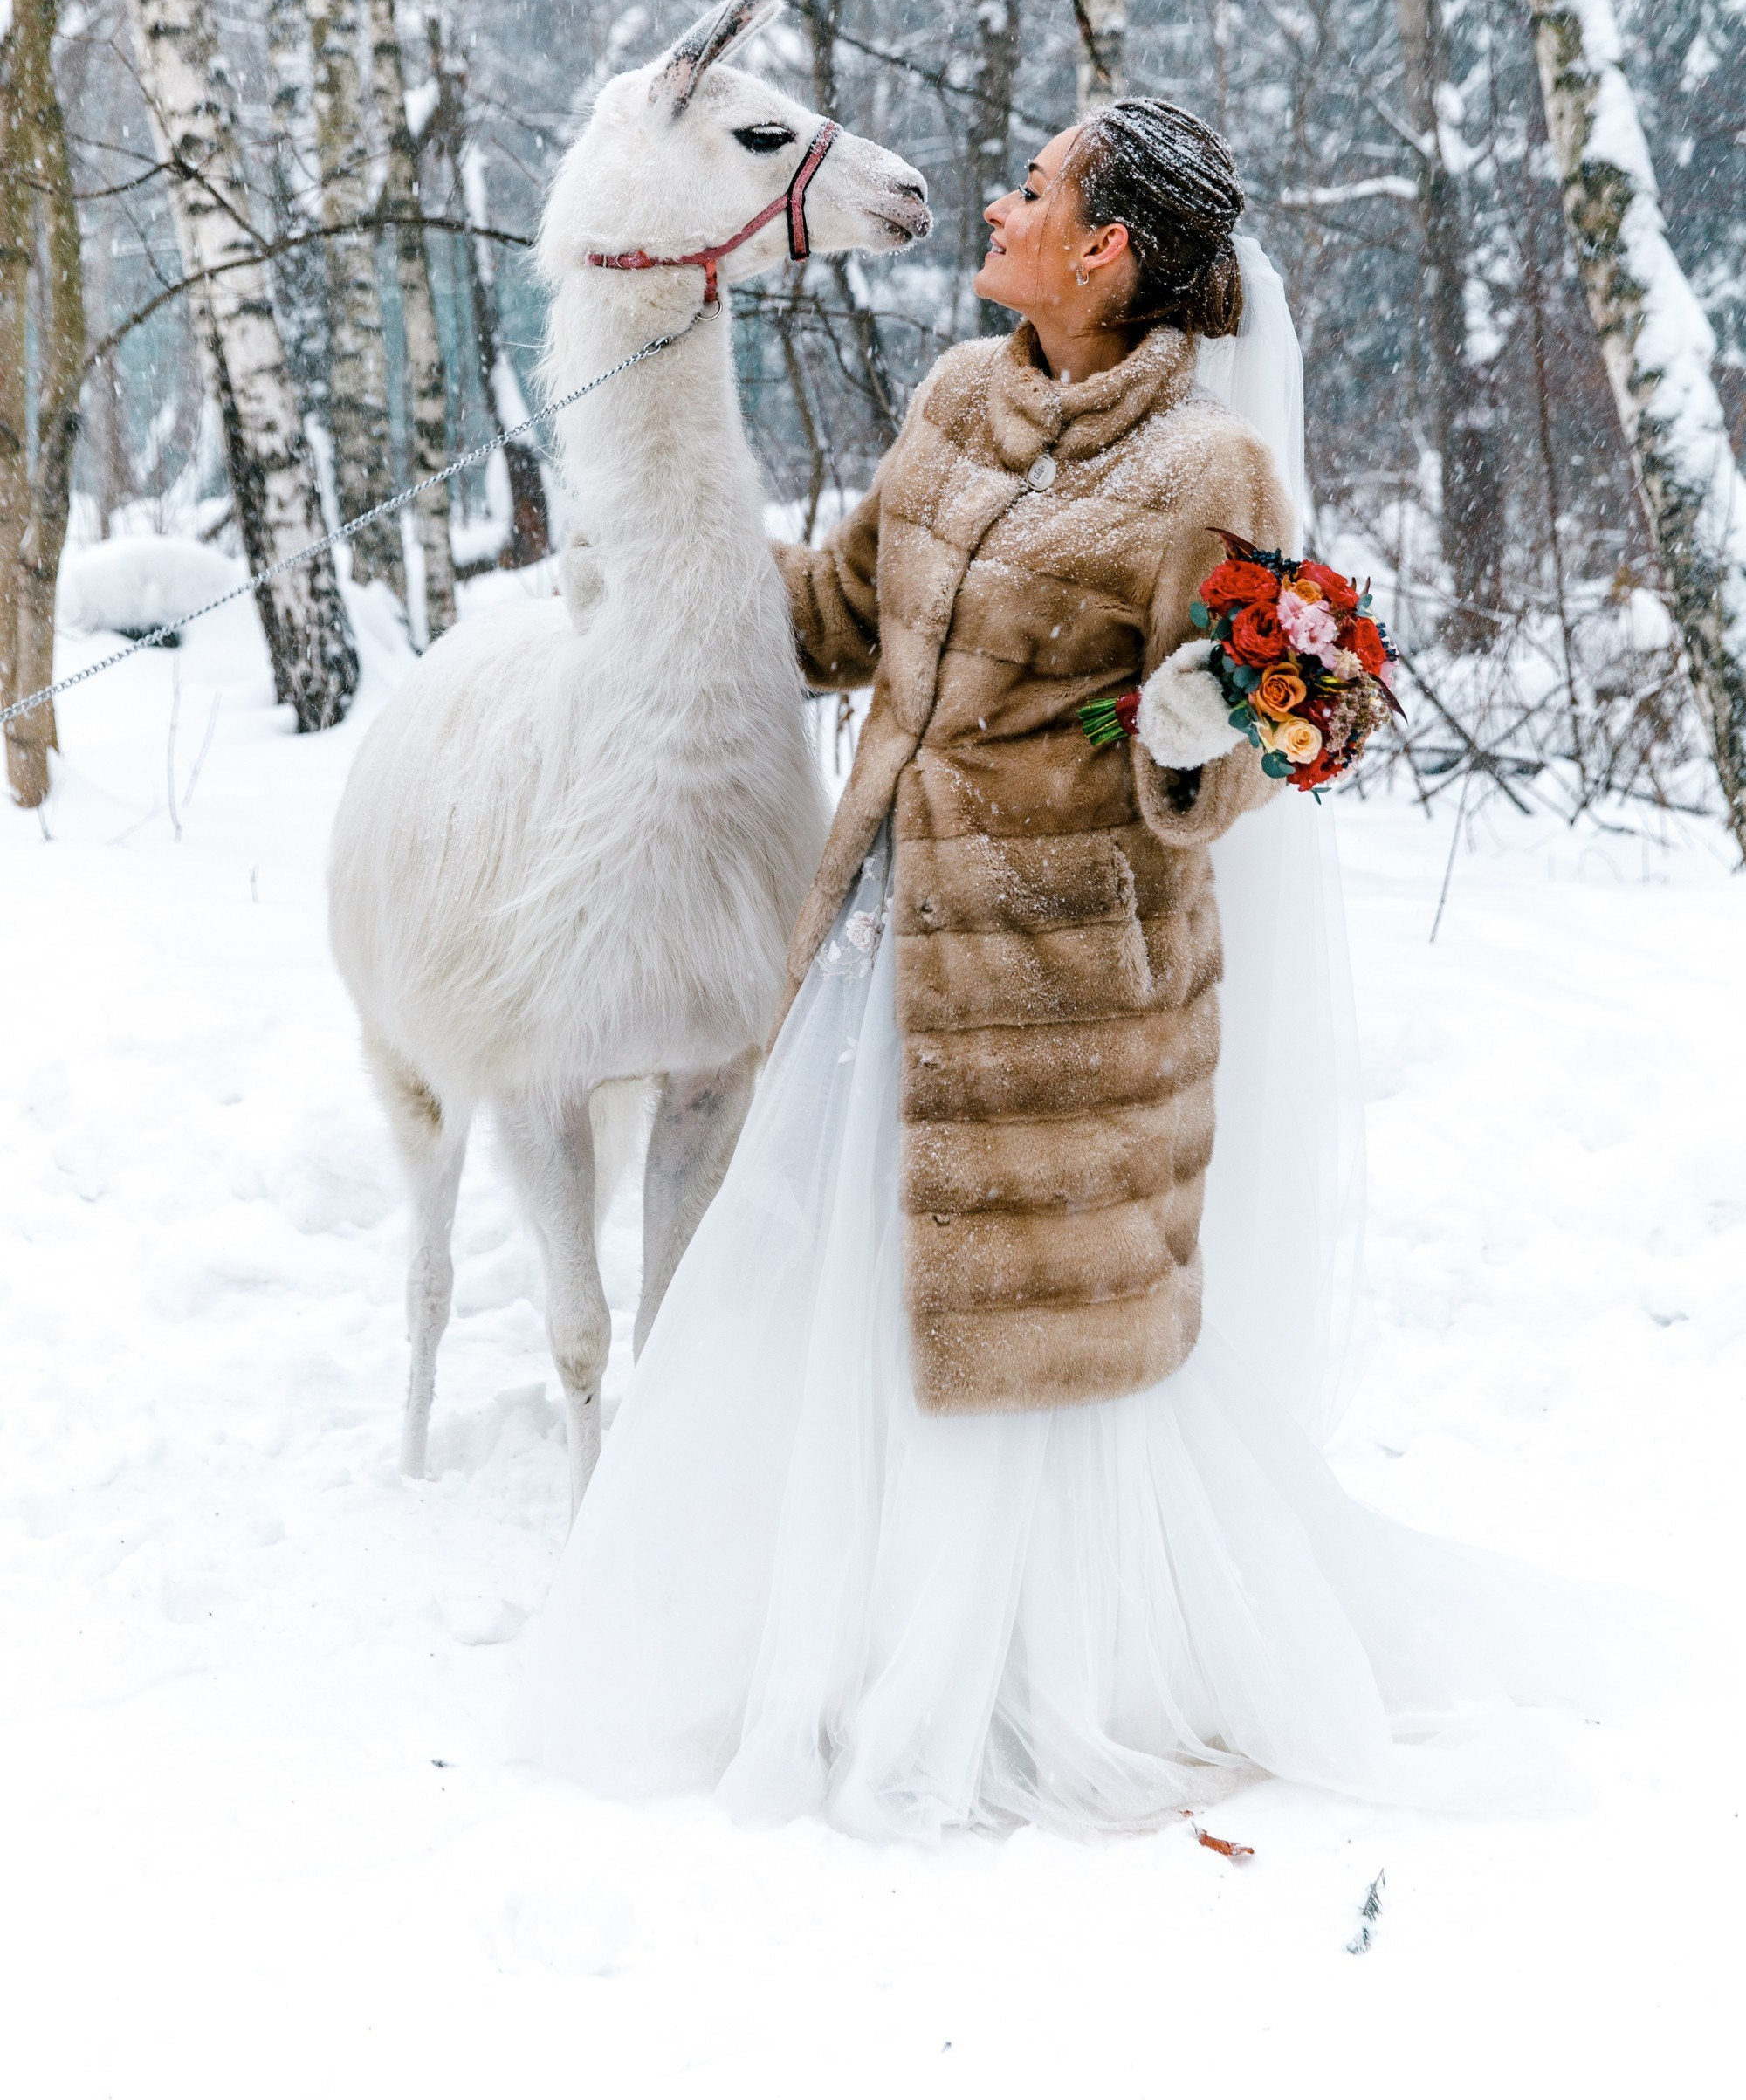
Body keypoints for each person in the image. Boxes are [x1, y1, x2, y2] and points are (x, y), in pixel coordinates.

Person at [518, 101, 1584, 1839]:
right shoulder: (955, 402)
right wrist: (665, 569)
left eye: (1036, 190)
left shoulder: (1204, 475)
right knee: (856, 1315)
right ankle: (865, 1648)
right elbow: (837, 615)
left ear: (1106, 251)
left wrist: (1201, 733)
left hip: (1068, 1008)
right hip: (885, 964)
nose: (999, 205)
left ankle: (1046, 1676)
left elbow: (1284, 723)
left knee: (1037, 1354)